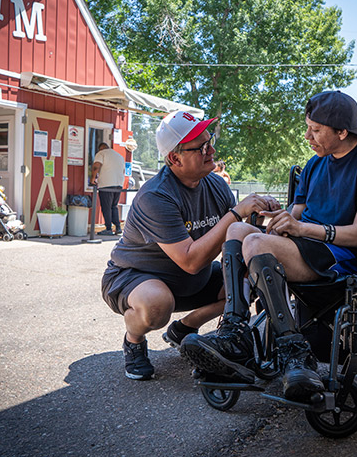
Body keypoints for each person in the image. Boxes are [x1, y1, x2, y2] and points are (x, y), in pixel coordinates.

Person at [181, 91, 357, 402]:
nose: (308, 136)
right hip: (302, 247)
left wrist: (300, 228)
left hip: (341, 257)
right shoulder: (314, 164)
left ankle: (294, 352)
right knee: (240, 229)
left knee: (255, 241)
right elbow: (294, 216)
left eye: (316, 130)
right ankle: (235, 335)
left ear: (342, 132)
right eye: (307, 127)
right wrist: (278, 217)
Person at [101, 110, 278, 380]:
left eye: (209, 142)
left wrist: (266, 216)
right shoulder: (156, 196)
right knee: (157, 303)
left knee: (248, 281)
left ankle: (184, 328)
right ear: (175, 158)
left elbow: (230, 238)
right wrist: (236, 213)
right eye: (202, 147)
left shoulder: (216, 185)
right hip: (136, 278)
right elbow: (191, 261)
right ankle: (134, 340)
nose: (211, 150)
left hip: (192, 281)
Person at [92, 142, 126, 236]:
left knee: (106, 207)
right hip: (118, 184)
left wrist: (93, 179)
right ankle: (118, 227)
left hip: (106, 184)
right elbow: (123, 170)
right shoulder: (119, 156)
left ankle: (108, 228)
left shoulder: (101, 153)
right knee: (114, 206)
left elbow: (96, 167)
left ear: (100, 148)